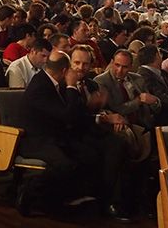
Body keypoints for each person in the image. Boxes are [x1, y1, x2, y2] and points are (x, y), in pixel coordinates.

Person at [15, 50, 130, 221]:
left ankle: (97, 200)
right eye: (74, 64)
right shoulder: (46, 86)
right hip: (39, 138)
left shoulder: (66, 83)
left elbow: (77, 115)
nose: (77, 69)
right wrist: (71, 87)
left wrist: (97, 113)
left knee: (103, 149)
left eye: (85, 64)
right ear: (64, 70)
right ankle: (32, 192)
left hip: (66, 133)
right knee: (71, 162)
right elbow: (68, 116)